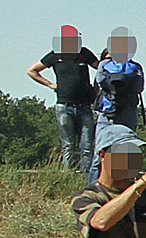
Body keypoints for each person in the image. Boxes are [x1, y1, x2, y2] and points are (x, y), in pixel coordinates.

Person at [28, 25, 99, 174]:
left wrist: (97, 88)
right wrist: (50, 85)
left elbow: (100, 68)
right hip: (64, 105)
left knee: (86, 145)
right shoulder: (55, 56)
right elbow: (32, 71)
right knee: (68, 145)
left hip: (84, 105)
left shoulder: (83, 54)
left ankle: (85, 177)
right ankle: (68, 176)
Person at [96, 27, 145, 129]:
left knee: (104, 140)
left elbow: (100, 81)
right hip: (128, 110)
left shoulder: (104, 64)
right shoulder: (136, 66)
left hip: (107, 109)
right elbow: (139, 87)